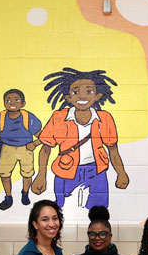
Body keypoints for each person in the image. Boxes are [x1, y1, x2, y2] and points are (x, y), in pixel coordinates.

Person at [32, 67, 129, 209]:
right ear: (68, 98)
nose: (82, 97)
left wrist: (121, 173)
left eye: (89, 91)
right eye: (75, 92)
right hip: (65, 170)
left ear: (97, 96)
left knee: (99, 212)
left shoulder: (105, 118)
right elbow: (45, 149)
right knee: (61, 211)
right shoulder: (59, 117)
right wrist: (41, 176)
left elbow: (113, 150)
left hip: (96, 171)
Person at [0, 88, 43, 210]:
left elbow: (43, 135)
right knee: (4, 173)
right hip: (7, 148)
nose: (12, 103)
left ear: (22, 103)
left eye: (16, 100)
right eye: (8, 100)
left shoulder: (28, 117)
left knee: (27, 173)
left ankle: (25, 193)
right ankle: (8, 197)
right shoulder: (1, 117)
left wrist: (35, 144)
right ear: (4, 103)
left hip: (25, 148)